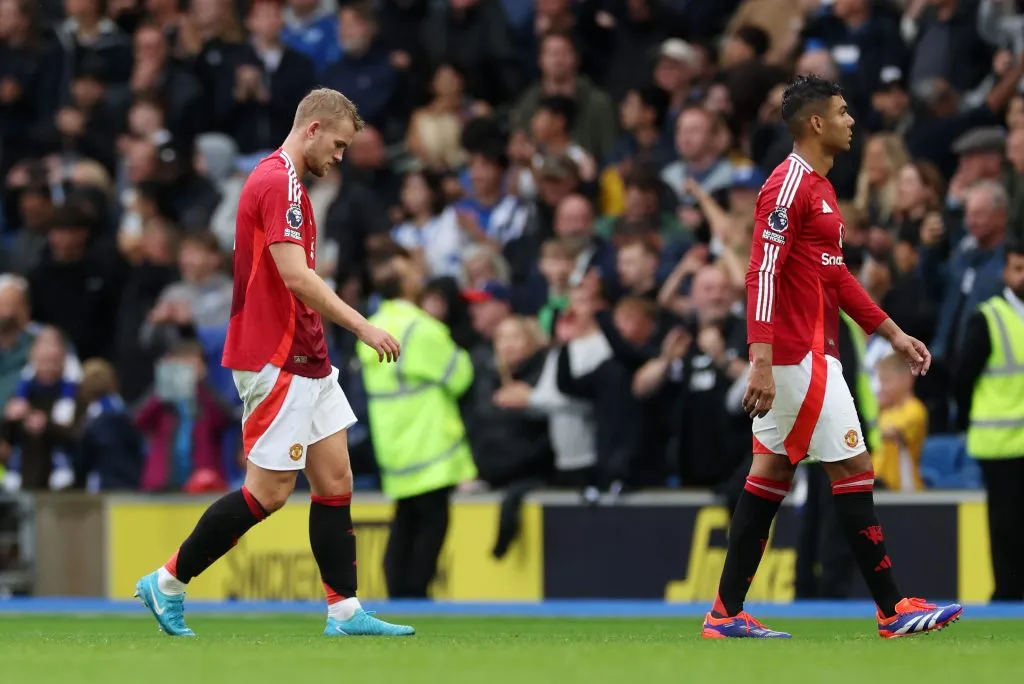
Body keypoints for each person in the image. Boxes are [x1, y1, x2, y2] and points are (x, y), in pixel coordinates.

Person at [134, 88, 413, 638]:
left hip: (308, 354)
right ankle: (167, 582)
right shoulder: (278, 182)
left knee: (335, 478)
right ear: (313, 129)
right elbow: (295, 276)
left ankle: (344, 611)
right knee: (269, 492)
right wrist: (362, 325)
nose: (340, 156)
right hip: (276, 355)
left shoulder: (287, 184)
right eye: (338, 144)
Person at [701, 75, 962, 640]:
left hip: (808, 354)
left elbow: (836, 278)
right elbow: (761, 273)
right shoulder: (787, 185)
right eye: (842, 112)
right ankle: (893, 608)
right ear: (816, 123)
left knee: (770, 476)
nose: (851, 121)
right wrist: (761, 359)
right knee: (854, 469)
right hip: (797, 357)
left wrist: (892, 333)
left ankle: (724, 613)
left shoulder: (821, 189)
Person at [357, 247, 476, 598]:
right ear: (407, 284)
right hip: (430, 446)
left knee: (404, 522)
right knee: (430, 524)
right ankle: (414, 596)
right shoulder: (421, 328)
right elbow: (461, 376)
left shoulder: (372, 326)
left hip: (394, 447)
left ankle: (399, 598)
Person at [955, 242, 1024, 601]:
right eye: (1018, 269)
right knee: (1007, 526)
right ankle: (1008, 597)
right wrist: (969, 421)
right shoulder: (989, 318)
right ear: (1004, 272)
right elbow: (963, 378)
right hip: (1001, 443)